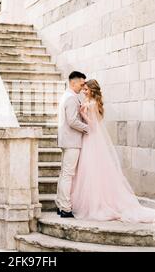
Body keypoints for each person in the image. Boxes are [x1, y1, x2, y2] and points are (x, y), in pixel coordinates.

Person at [70, 79, 155, 223]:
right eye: (83, 89)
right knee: (89, 169)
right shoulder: (89, 102)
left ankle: (97, 203)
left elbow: (93, 126)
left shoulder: (91, 104)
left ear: (91, 90)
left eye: (86, 89)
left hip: (91, 138)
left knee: (91, 169)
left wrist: (83, 114)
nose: (84, 91)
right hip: (90, 138)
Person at [56, 71, 89, 218]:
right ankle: (65, 208)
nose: (83, 87)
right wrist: (88, 128)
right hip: (72, 141)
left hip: (67, 140)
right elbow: (72, 121)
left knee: (64, 174)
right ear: (73, 82)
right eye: (81, 84)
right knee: (68, 174)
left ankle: (60, 204)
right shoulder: (71, 98)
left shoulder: (67, 96)